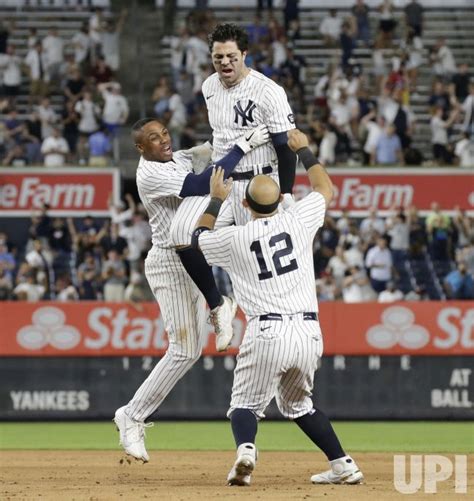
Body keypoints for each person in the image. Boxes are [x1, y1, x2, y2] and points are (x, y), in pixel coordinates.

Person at [192, 129, 363, 486]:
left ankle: (246, 453)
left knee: (244, 405)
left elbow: (198, 240)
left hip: (267, 330)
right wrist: (305, 152)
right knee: (300, 405)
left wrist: (215, 199)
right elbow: (324, 190)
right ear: (278, 201)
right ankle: (343, 464)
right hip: (308, 331)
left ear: (246, 205)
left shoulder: (236, 238)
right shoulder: (298, 219)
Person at [113, 117, 270, 462]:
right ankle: (132, 415)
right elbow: (202, 184)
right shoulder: (150, 173)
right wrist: (243, 146)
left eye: (164, 133)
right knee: (185, 351)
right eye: (153, 139)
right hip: (170, 262)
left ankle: (221, 304)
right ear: (141, 148)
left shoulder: (177, 158)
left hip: (193, 256)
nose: (163, 140)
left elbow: (207, 152)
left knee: (189, 350)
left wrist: (233, 138)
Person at [166, 23, 297, 349]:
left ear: (245, 55)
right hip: (221, 182)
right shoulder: (210, 85)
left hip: (259, 184)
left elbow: (285, 145)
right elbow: (222, 137)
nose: (225, 63)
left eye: (231, 56)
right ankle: (218, 305)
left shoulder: (269, 91)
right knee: (181, 234)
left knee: (264, 279)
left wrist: (287, 193)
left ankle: (282, 346)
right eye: (218, 57)